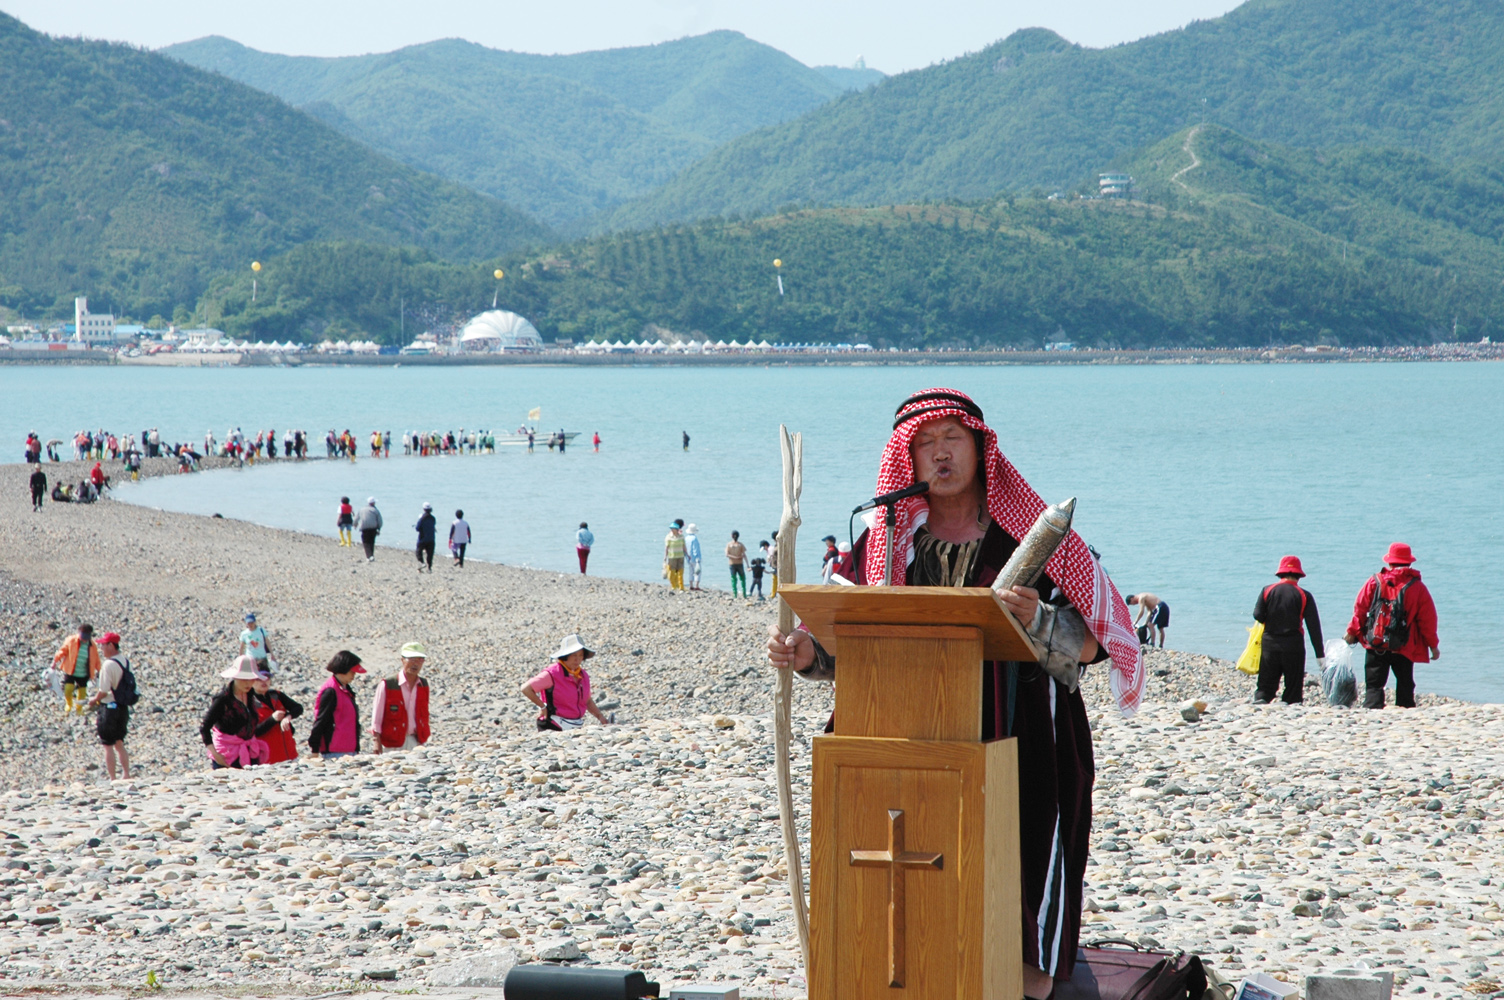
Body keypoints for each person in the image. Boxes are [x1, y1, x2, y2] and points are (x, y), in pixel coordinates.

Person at [764, 388, 1143, 995]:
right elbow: (860, 641)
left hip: (1023, 737)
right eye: (924, 444)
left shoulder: (1033, 542)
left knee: (1019, 875)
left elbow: (1100, 642)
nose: (940, 454)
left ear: (979, 447)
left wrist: (1040, 619)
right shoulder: (885, 542)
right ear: (905, 458)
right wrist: (807, 654)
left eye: (952, 439)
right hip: (906, 736)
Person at [1344, 543, 1440, 709]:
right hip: (1403, 645)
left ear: (1389, 562)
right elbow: (1427, 620)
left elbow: (1360, 608)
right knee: (1405, 682)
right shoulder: (1417, 587)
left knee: (1374, 683)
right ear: (1409, 563)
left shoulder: (1375, 581)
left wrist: (1352, 631)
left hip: (1376, 641)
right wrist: (1433, 645)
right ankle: (1405, 709)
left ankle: (1372, 708)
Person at [1251, 556, 1325, 704]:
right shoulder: (1304, 595)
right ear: (1299, 575)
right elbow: (1314, 627)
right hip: (1293, 646)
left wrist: (1270, 619)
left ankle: (1262, 700)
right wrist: (1319, 655)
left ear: (1280, 573)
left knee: (1266, 683)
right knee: (1293, 686)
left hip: (1270, 644)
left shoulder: (1267, 590)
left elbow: (1257, 615)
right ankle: (1291, 703)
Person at [521, 634, 611, 730]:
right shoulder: (552, 673)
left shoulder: (583, 675)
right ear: (565, 656)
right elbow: (526, 689)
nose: (577, 659)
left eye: (581, 655)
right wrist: (542, 707)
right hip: (552, 724)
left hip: (575, 724)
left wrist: (600, 716)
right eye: (574, 655)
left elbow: (587, 700)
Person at [201, 656, 270, 768]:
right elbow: (204, 727)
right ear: (235, 677)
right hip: (227, 755)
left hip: (248, 751)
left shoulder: (250, 695)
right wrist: (215, 754)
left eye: (251, 679)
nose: (248, 683)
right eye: (244, 679)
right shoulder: (223, 699)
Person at [87, 632, 131, 780]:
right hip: (122, 707)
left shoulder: (108, 664)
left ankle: (113, 778)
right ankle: (126, 774)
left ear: (111, 645)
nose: (101, 648)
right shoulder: (125, 661)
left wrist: (94, 700)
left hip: (109, 708)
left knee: (108, 745)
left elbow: (104, 690)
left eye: (103, 645)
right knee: (119, 743)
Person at [371, 642, 430, 753]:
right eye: (411, 659)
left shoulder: (423, 685)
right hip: (392, 743)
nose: (415, 664)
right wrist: (376, 741)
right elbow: (377, 716)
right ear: (402, 660)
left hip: (415, 741)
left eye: (420, 660)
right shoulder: (388, 684)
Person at [307, 650, 366, 757]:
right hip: (334, 751)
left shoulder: (345, 689)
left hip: (348, 749)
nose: (354, 674)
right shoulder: (331, 691)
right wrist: (314, 748)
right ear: (343, 669)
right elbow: (321, 720)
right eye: (352, 671)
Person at [251, 666, 302, 764]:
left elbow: (298, 708)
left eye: (267, 678)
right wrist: (272, 719)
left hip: (290, 753)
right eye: (259, 679)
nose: (264, 681)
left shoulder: (276, 695)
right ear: (251, 681)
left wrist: (288, 717)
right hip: (267, 759)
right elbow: (252, 732)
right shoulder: (249, 702)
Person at [52, 623, 99, 714]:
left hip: (84, 672)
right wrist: (55, 661)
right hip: (71, 670)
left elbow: (96, 659)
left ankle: (79, 709)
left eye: (86, 637)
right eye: (83, 637)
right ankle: (68, 704)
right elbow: (62, 651)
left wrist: (100, 670)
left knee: (82, 692)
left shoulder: (92, 645)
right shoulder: (71, 640)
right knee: (68, 689)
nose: (84, 640)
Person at [355, 497, 383, 561]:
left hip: (364, 528)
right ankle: (371, 556)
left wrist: (355, 524)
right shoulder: (375, 510)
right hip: (373, 528)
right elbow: (380, 521)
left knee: (365, 542)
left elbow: (356, 518)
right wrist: (379, 528)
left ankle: (369, 556)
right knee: (371, 542)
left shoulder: (362, 509)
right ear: (374, 503)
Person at [663, 520, 686, 591]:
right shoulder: (668, 537)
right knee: (671, 572)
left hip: (680, 556)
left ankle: (681, 587)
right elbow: (666, 548)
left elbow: (684, 546)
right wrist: (665, 556)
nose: (673, 530)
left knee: (680, 572)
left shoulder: (681, 536)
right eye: (672, 529)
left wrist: (687, 554)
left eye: (674, 529)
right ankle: (674, 585)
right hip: (672, 557)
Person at [415, 503, 437, 573]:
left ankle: (422, 562)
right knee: (430, 554)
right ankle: (429, 568)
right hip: (431, 539)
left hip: (422, 539)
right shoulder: (433, 518)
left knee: (418, 552)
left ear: (424, 509)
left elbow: (417, 528)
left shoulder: (422, 518)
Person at [726, 531, 747, 597]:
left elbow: (727, 554)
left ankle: (735, 594)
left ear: (732, 536)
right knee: (742, 578)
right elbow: (744, 555)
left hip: (732, 563)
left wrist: (734, 557)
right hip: (740, 563)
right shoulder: (740, 544)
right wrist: (748, 565)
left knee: (733, 579)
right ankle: (744, 594)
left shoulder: (729, 544)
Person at [685, 523, 703, 591]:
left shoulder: (686, 538)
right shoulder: (694, 538)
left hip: (688, 558)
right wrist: (697, 558)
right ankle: (696, 586)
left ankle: (691, 585)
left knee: (690, 571)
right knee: (697, 572)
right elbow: (695, 549)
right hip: (695, 558)